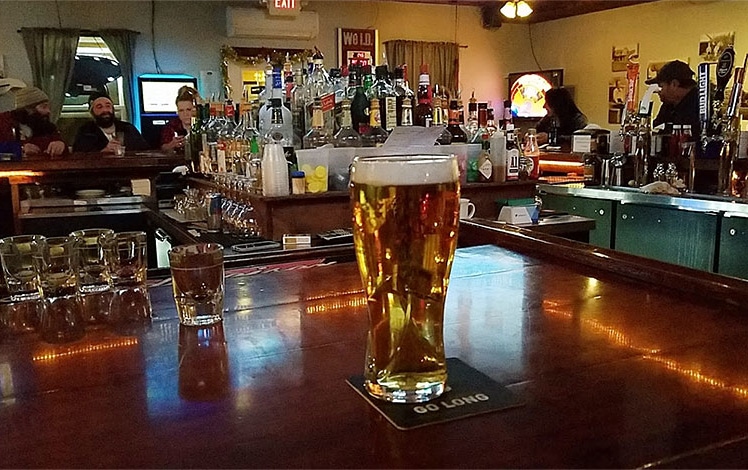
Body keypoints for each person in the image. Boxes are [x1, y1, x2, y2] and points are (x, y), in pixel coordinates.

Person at [0, 86, 68, 157]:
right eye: (44, 107)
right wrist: (20, 148)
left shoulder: (47, 127)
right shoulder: (3, 122)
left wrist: (61, 145)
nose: (48, 111)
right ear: (28, 109)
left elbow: (62, 146)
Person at [72, 91, 149, 153]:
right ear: (92, 112)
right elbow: (79, 156)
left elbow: (144, 150)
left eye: (108, 106)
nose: (105, 110)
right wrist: (102, 152)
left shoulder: (128, 128)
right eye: (99, 107)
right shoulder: (85, 131)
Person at [645, 60, 700, 135]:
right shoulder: (668, 105)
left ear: (674, 84)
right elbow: (657, 129)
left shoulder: (701, 104)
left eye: (661, 86)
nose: (658, 91)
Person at [160, 86, 200, 154]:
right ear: (177, 112)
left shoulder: (203, 125)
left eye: (188, 110)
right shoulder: (171, 126)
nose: (185, 114)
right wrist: (172, 144)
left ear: (195, 110)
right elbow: (163, 149)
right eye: (181, 111)